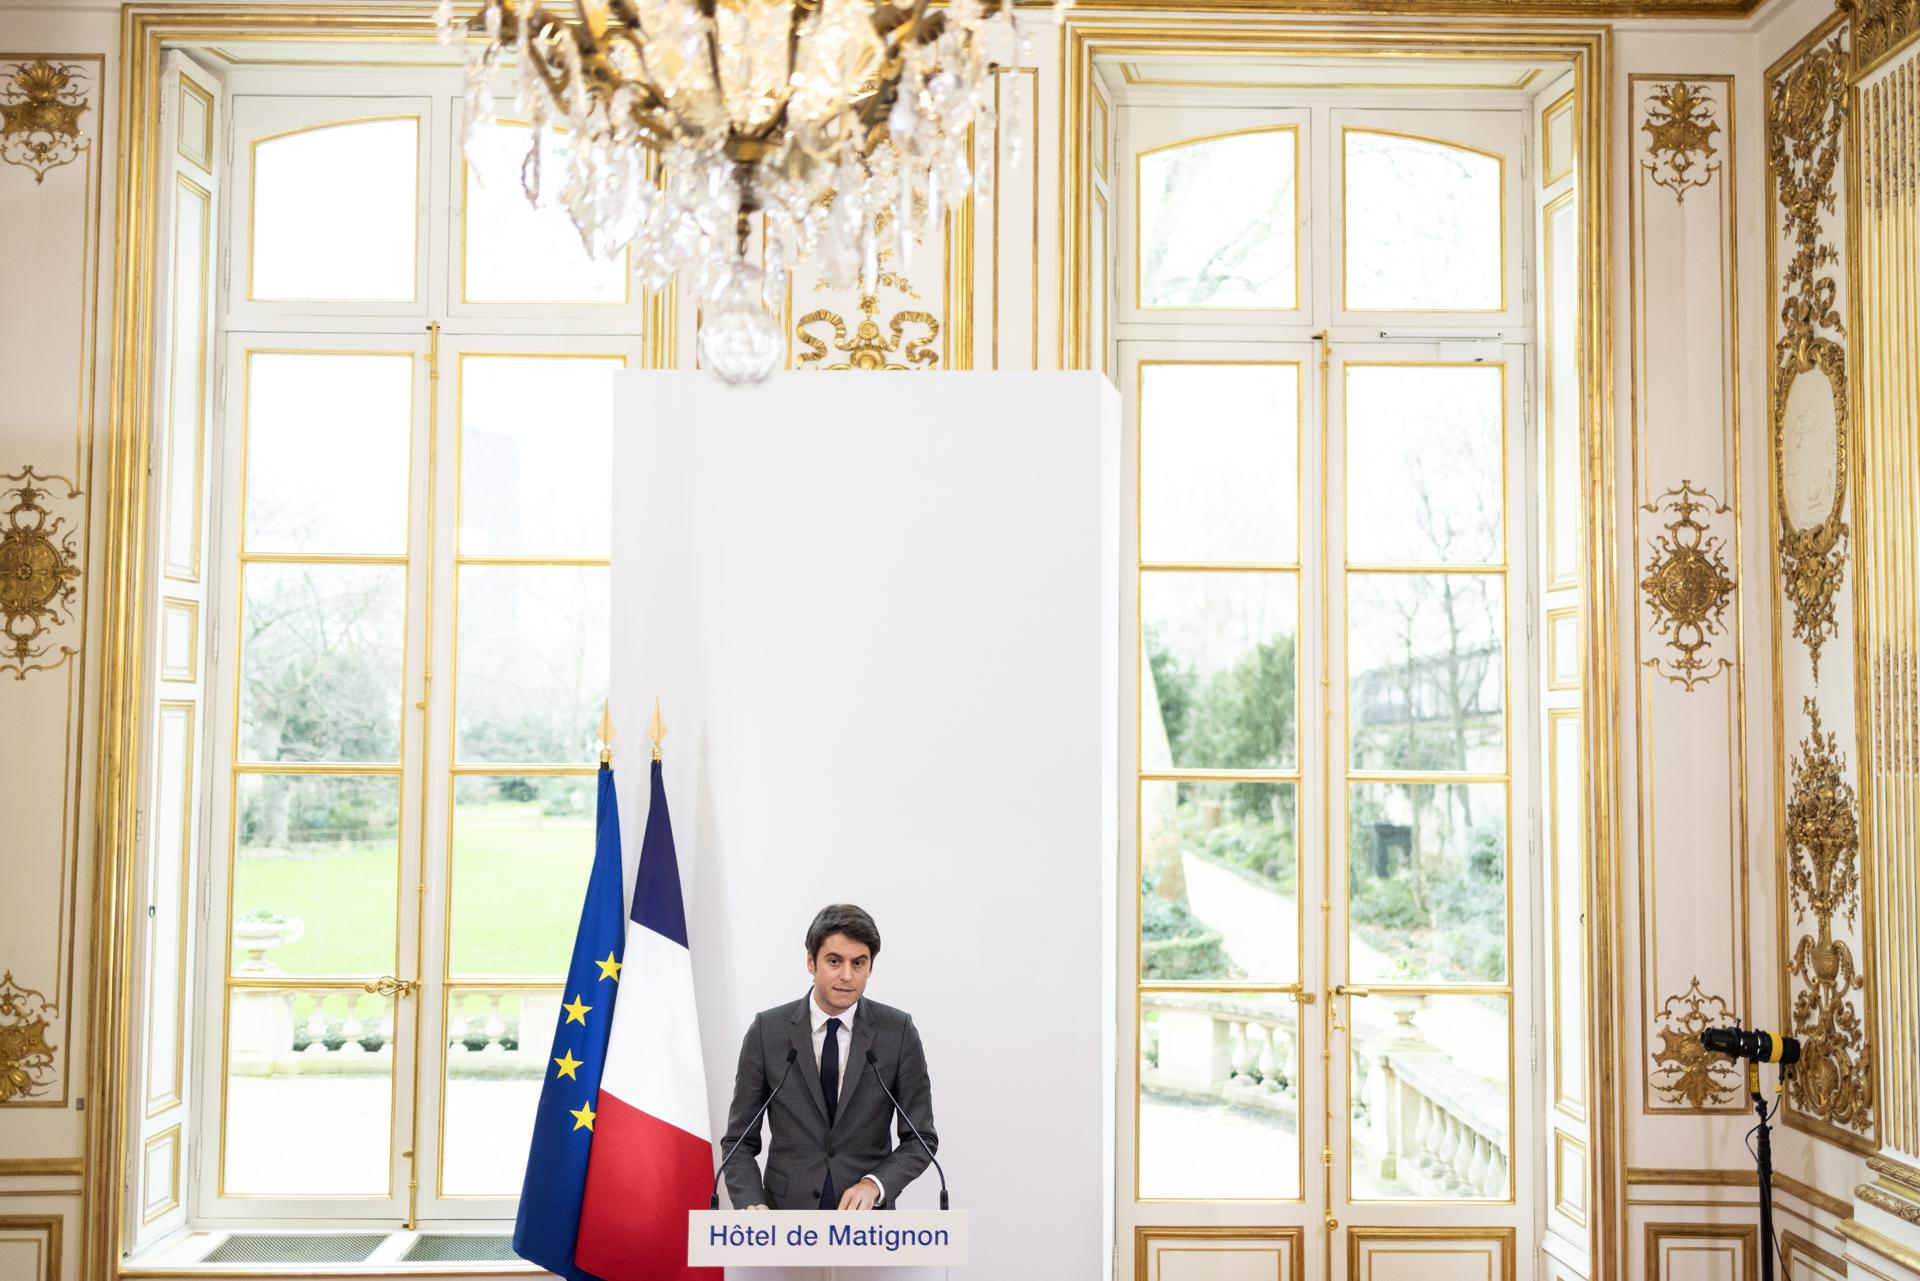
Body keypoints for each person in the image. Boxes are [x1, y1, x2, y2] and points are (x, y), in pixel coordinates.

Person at [719, 903, 938, 1211]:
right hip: (783, 1220)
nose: (847, 975)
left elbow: (921, 1139)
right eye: (834, 961)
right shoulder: (767, 1031)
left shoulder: (897, 1032)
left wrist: (874, 1184)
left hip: (867, 1224)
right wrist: (752, 1201)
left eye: (859, 963)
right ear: (811, 961)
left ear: (871, 967)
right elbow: (739, 1141)